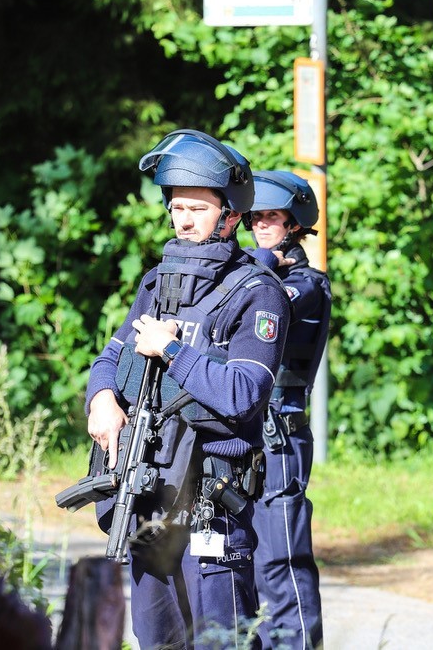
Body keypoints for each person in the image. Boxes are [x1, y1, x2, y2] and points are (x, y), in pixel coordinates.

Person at [84, 129, 290, 650]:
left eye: (198, 207)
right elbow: (111, 357)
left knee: (220, 640)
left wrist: (174, 352)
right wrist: (101, 399)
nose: (184, 219)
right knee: (156, 637)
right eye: (177, 206)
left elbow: (245, 393)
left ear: (230, 215)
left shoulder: (257, 293)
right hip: (149, 490)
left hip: (210, 503)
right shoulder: (158, 282)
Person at [244, 171, 332, 650]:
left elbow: (267, 303)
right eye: (254, 218)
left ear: (295, 224)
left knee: (282, 561)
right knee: (238, 561)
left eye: (271, 218)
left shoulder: (304, 286)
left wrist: (257, 263)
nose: (260, 226)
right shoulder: (257, 273)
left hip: (280, 442)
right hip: (240, 435)